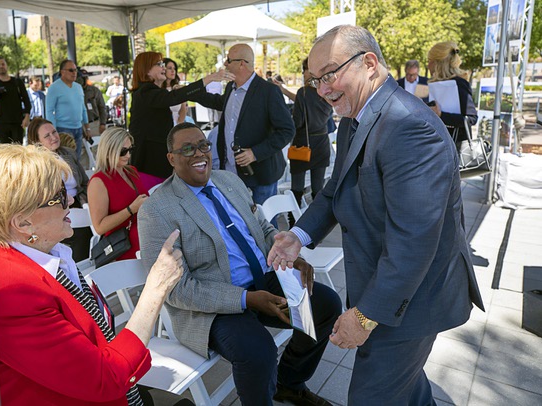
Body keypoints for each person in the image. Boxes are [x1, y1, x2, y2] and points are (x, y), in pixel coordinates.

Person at [268, 25, 485, 405]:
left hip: (409, 302)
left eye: (330, 74)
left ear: (369, 63)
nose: (322, 89)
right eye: (316, 79)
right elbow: (336, 188)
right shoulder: (358, 116)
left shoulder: (408, 126)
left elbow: (413, 243)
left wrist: (365, 316)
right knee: (410, 393)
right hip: (388, 292)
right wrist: (297, 236)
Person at [138, 122, 341, 406]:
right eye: (188, 148)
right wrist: (246, 299)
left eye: (203, 145)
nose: (200, 153)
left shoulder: (228, 180)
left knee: (326, 306)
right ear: (171, 158)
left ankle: (290, 383)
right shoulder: (156, 210)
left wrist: (289, 254)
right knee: (259, 350)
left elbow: (262, 229)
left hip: (263, 280)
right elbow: (174, 290)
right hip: (212, 302)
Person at [0, 143, 186, 405]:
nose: (72, 200)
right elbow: (103, 378)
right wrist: (156, 289)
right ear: (23, 222)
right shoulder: (12, 293)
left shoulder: (42, 255)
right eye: (60, 195)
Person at [198, 44, 295, 208]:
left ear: (242, 63)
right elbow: (219, 103)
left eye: (228, 60)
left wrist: (255, 153)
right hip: (231, 171)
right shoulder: (230, 87)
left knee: (263, 225)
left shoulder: (269, 91)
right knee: (237, 220)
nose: (225, 65)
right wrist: (192, 91)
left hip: (261, 172)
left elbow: (287, 130)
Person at [129, 51, 231, 181]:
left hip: (157, 160)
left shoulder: (153, 92)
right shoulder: (145, 92)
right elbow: (173, 98)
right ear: (146, 69)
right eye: (159, 64)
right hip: (149, 163)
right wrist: (209, 78)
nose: (163, 68)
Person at [27, 117, 92, 262]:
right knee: (78, 236)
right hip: (55, 208)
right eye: (47, 136)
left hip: (79, 202)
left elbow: (84, 182)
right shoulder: (37, 165)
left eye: (54, 132)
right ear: (37, 142)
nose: (53, 137)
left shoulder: (67, 153)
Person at [87, 127, 149, 261]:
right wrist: (131, 209)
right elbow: (99, 227)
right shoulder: (99, 181)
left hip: (145, 236)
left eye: (130, 150)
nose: (128, 155)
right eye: (123, 151)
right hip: (123, 245)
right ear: (108, 152)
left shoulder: (131, 171)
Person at [289, 57, 333, 214]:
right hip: (321, 143)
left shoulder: (303, 92)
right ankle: (317, 222)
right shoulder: (329, 91)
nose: (303, 74)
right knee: (318, 188)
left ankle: (294, 221)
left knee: (297, 188)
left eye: (304, 70)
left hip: (302, 143)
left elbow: (298, 122)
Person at [427, 41, 478, 143]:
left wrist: (442, 115)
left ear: (437, 63)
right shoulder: (434, 85)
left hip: (456, 148)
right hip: (436, 145)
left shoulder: (460, 84)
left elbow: (471, 118)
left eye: (429, 61)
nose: (428, 65)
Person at [46, 59, 90, 157]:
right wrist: (53, 131)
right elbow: (49, 111)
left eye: (75, 70)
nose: (74, 73)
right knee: (65, 160)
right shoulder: (54, 88)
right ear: (62, 72)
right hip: (62, 129)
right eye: (71, 70)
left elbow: (83, 108)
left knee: (77, 160)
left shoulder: (78, 87)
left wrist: (87, 128)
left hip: (79, 128)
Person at [0, 57, 31, 143]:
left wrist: (27, 117)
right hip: (2, 124)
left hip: (17, 123)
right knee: (6, 152)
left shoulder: (17, 82)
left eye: (3, 64)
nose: (1, 66)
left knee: (18, 151)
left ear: (7, 66)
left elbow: (26, 101)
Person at [162, 58, 188, 125]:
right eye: (170, 68)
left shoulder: (177, 88)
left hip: (176, 126)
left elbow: (183, 110)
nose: (173, 71)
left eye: (174, 68)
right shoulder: (159, 90)